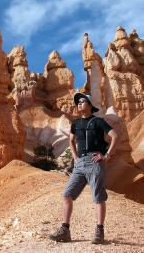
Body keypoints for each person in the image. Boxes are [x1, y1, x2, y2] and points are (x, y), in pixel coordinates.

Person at [47, 92, 119, 244]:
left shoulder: (98, 121)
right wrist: (75, 157)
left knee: (98, 197)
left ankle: (99, 231)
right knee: (67, 195)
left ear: (90, 105)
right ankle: (65, 230)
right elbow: (71, 141)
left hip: (94, 161)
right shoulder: (75, 124)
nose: (79, 104)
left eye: (82, 101)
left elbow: (115, 136)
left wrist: (106, 155)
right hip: (80, 163)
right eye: (77, 102)